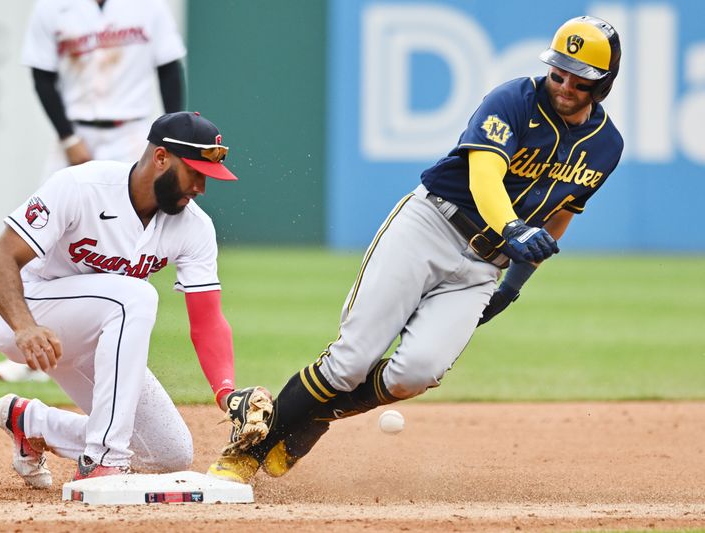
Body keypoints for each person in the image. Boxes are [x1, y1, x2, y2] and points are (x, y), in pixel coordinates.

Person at [207, 16, 624, 483]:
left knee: (416, 373)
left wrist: (512, 285)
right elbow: (483, 175)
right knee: (351, 361)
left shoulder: (607, 146)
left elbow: (557, 217)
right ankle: (246, 453)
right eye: (559, 71)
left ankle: (313, 417)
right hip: (430, 226)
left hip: (484, 266)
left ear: (603, 83)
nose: (564, 84)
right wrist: (509, 225)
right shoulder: (512, 100)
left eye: (579, 77)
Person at [0, 111, 243, 487]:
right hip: (23, 309)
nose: (201, 187)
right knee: (134, 296)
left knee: (169, 452)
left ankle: (31, 422)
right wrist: (23, 326)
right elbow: (0, 258)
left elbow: (207, 321)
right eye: (195, 172)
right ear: (161, 158)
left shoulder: (194, 227)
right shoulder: (82, 185)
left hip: (94, 332)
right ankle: (104, 460)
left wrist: (226, 392)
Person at [0, 0, 187, 383]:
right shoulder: (53, 7)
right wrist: (68, 136)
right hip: (76, 130)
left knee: (129, 241)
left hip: (134, 133)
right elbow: (42, 76)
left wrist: (172, 138)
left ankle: (115, 342)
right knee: (38, 238)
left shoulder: (148, 7)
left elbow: (169, 70)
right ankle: (28, 347)